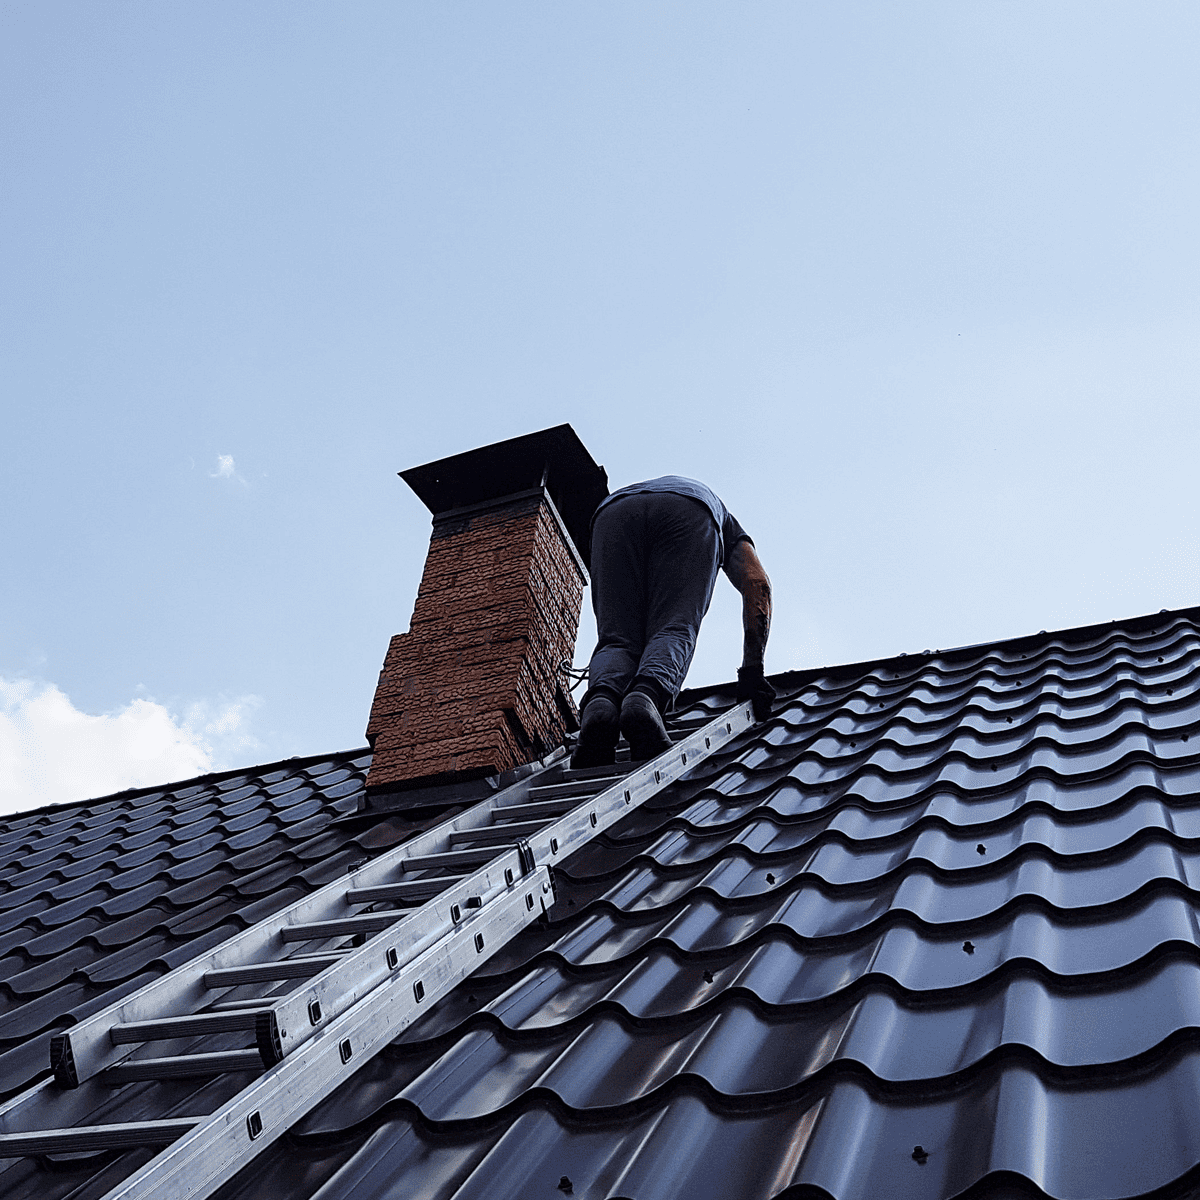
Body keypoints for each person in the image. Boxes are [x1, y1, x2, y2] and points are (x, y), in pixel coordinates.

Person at [572, 475, 774, 768]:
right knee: (674, 625)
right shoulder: (728, 525)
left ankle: (600, 708)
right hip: (692, 509)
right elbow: (757, 583)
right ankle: (645, 699)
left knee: (617, 637)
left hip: (611, 512)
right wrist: (753, 670)